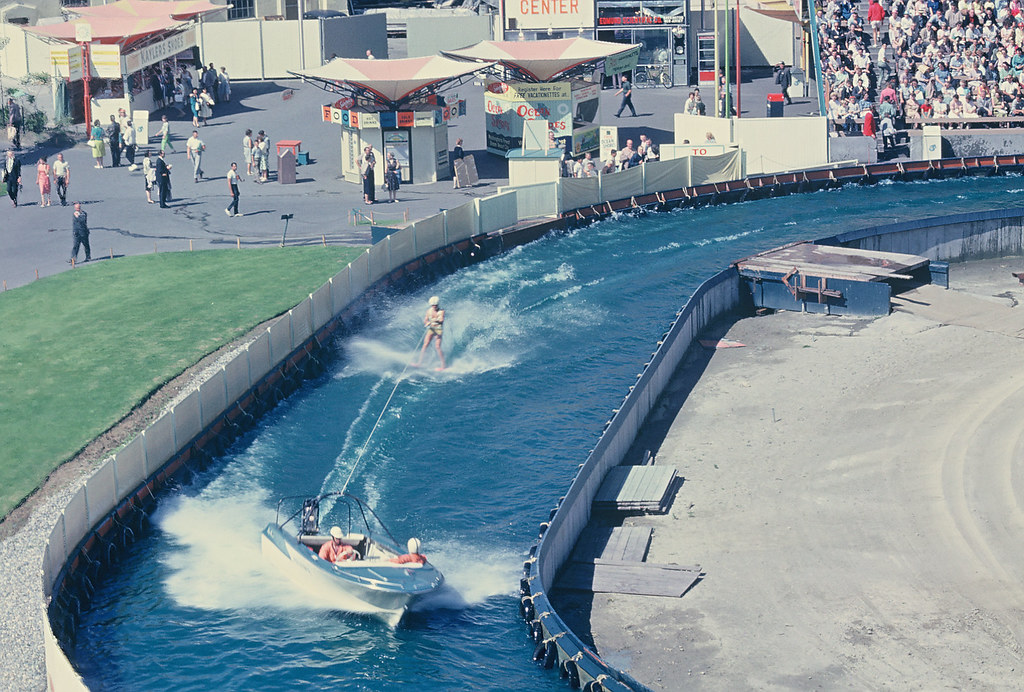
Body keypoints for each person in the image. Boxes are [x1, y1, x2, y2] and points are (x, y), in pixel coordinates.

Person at [413, 295, 446, 370]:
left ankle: (443, 366)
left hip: (438, 330)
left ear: (438, 305)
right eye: (433, 305)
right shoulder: (428, 311)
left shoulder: (441, 311)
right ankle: (419, 363)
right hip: (431, 329)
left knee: (437, 347)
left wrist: (434, 321)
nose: (434, 306)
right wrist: (426, 323)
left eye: (436, 305)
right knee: (425, 344)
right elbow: (425, 320)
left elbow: (441, 320)